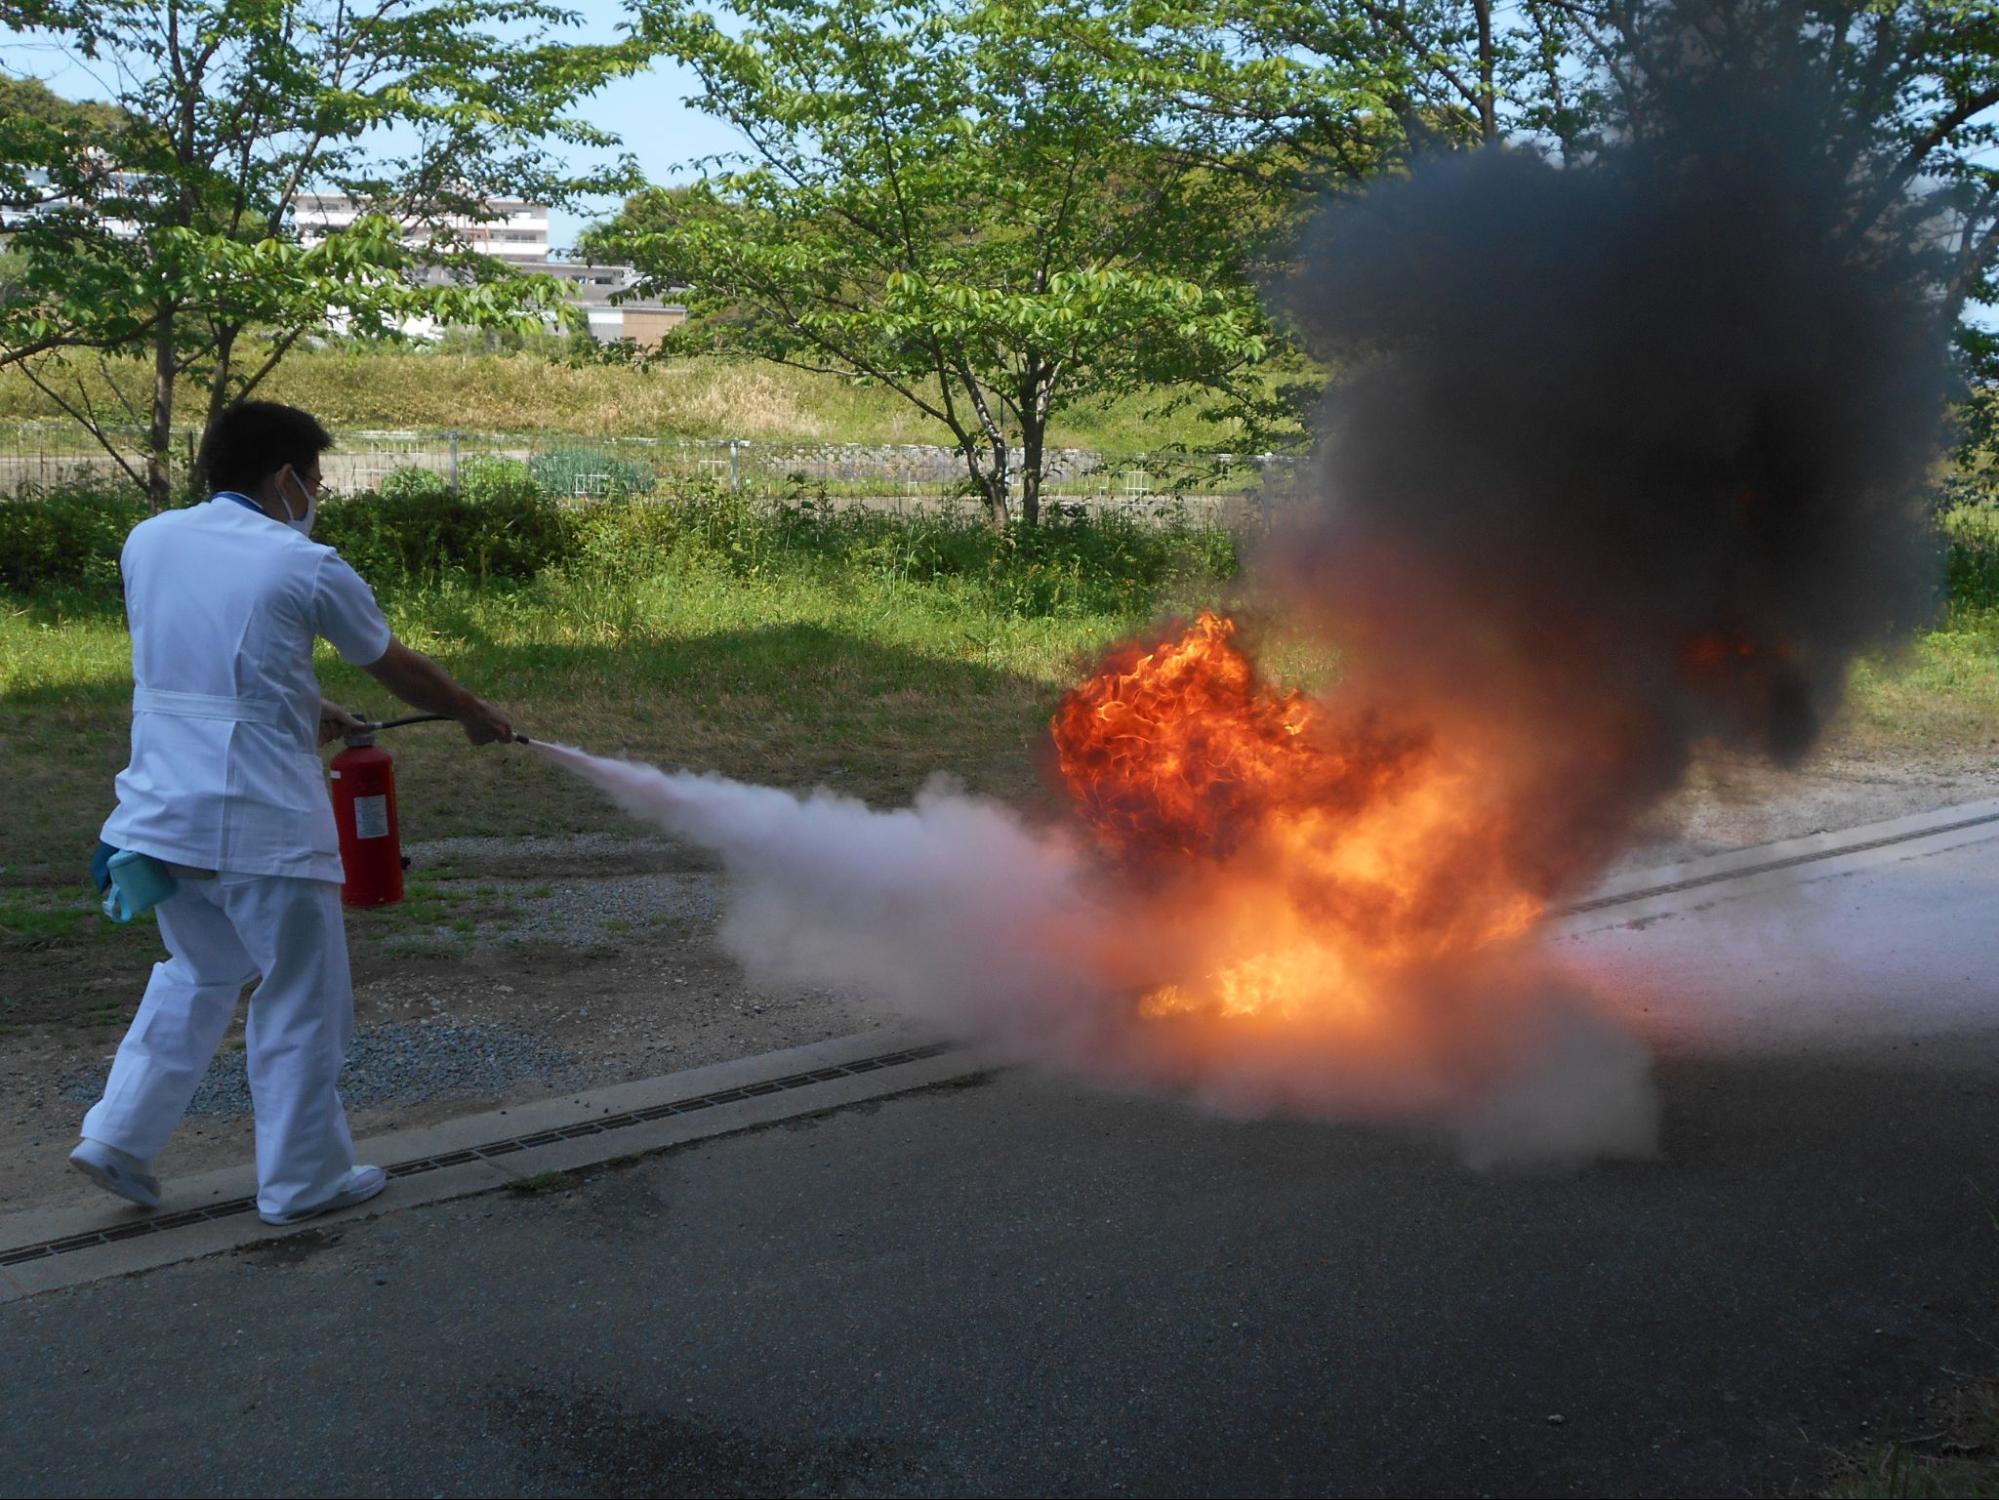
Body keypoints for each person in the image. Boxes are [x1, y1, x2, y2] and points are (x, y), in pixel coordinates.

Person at [71, 401, 515, 1225]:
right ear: (285, 479)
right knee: (302, 1002)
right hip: (264, 826)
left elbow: (209, 666)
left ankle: (117, 1136)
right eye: (314, 481)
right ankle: (303, 1182)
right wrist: (470, 710)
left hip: (160, 817)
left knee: (199, 974)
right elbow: (392, 665)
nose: (315, 497)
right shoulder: (304, 564)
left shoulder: (148, 541)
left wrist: (309, 709)